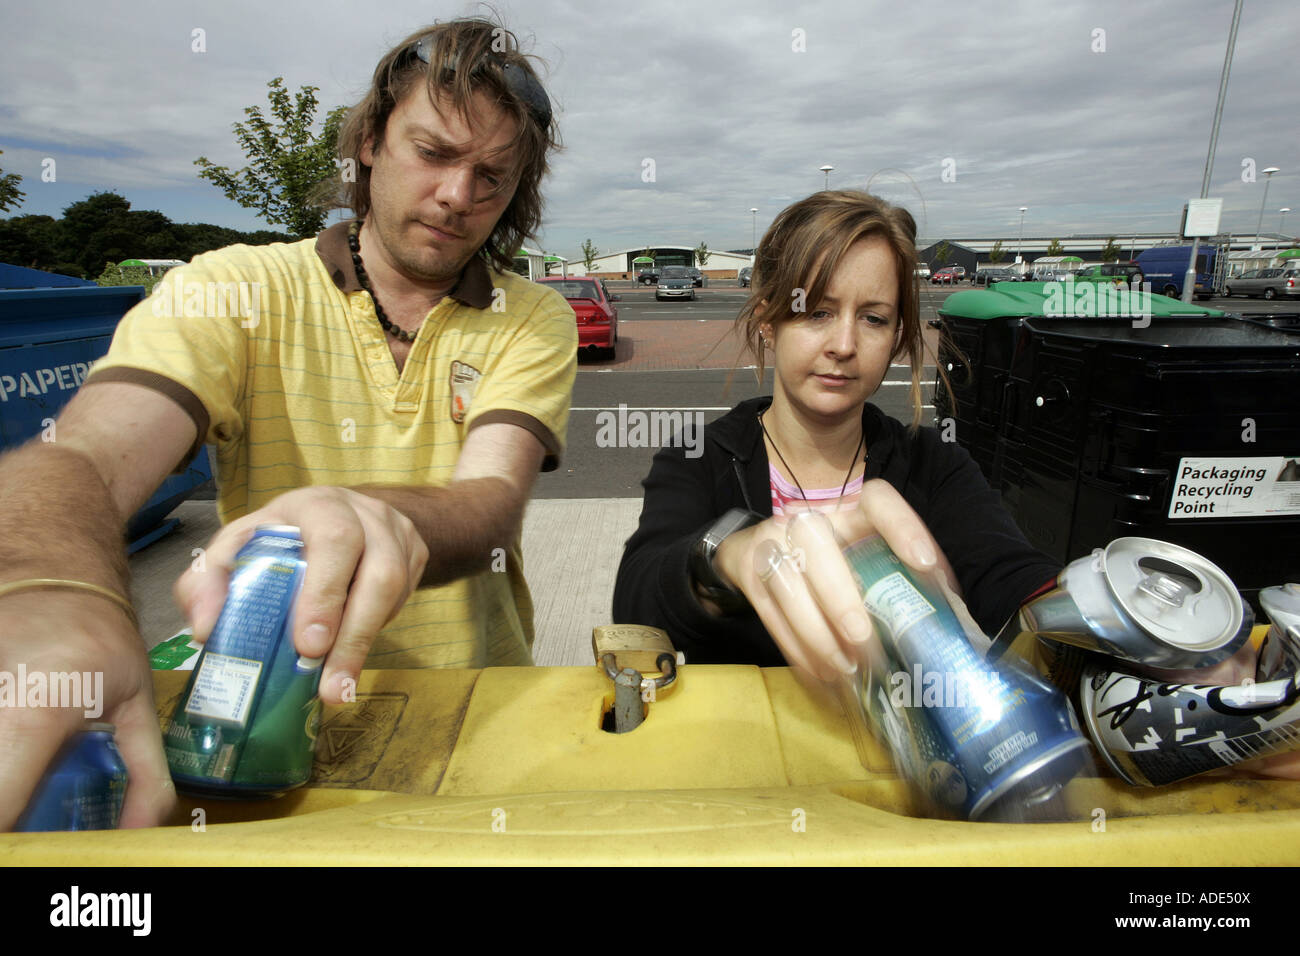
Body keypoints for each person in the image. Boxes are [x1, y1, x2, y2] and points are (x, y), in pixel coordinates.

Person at [0, 17, 574, 830]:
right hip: (255, 738)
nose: (459, 196)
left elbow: (489, 501)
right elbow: (87, 456)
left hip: (477, 717)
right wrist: (46, 582)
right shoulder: (233, 287)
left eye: (493, 176)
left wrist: (374, 512)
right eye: (436, 152)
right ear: (370, 142)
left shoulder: (532, 316)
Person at [613, 190, 1063, 683]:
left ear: (896, 338)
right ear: (768, 319)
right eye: (818, 312)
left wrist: (1078, 621)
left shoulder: (934, 464)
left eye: (873, 318)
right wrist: (726, 561)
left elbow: (1009, 573)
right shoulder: (699, 457)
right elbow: (637, 601)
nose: (844, 345)